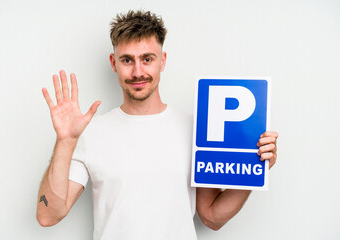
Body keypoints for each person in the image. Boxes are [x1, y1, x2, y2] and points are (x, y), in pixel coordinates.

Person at [36, 10, 278, 240]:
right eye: (127, 60)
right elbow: (48, 214)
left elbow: (212, 216)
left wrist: (254, 169)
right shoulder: (92, 133)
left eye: (147, 59)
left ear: (162, 61)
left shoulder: (198, 131)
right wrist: (65, 141)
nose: (138, 71)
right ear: (114, 63)